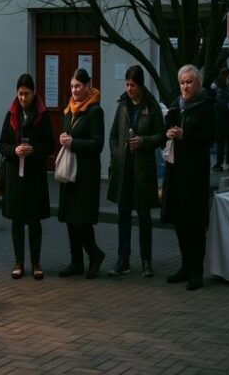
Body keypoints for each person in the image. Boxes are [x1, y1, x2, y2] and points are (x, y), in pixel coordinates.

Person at [106, 66, 165, 278]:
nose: (129, 89)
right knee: (123, 216)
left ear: (140, 85)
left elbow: (161, 135)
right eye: (127, 84)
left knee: (144, 217)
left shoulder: (151, 105)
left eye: (133, 85)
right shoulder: (122, 105)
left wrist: (144, 141)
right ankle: (123, 260)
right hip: (124, 171)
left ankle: (146, 261)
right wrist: (116, 154)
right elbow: (113, 135)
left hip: (143, 171)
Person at [161, 64, 214, 290]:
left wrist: (186, 135)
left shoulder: (206, 106)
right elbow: (164, 133)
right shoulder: (176, 106)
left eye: (189, 82)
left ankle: (196, 271)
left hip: (195, 175)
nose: (185, 86)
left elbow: (209, 138)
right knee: (180, 222)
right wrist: (168, 133)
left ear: (198, 84)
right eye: (182, 82)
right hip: (175, 172)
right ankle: (185, 266)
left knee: (194, 224)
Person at [0, 73, 54, 280]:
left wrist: (34, 150)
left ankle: (36, 263)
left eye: (27, 94)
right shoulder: (11, 114)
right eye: (20, 93)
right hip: (15, 175)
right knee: (17, 220)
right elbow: (2, 144)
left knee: (34, 220)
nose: (22, 98)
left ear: (34, 93)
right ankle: (18, 263)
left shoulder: (42, 116)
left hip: (34, 175)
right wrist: (14, 150)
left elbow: (50, 145)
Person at [57, 68, 106, 279]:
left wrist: (73, 143)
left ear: (87, 86)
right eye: (72, 86)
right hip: (70, 171)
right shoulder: (69, 109)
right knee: (70, 217)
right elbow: (68, 134)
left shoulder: (95, 111)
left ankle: (94, 254)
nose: (74, 90)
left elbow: (97, 144)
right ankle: (76, 261)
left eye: (78, 86)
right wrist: (64, 139)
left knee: (82, 218)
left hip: (86, 173)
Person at [211, 68, 229, 172]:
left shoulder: (217, 85)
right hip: (227, 117)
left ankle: (220, 163)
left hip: (220, 118)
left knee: (221, 142)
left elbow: (217, 101)